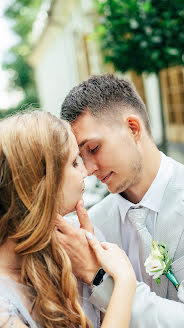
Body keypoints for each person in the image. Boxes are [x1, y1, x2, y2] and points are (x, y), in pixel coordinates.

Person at [60, 73, 184, 327]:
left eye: (93, 149)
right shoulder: (91, 226)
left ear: (133, 128)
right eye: (79, 157)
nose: (88, 169)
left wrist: (98, 277)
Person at [0, 111, 136, 328]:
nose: (86, 171)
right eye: (74, 162)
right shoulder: (4, 308)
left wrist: (94, 271)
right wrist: (124, 282)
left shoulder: (78, 239)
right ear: (40, 181)